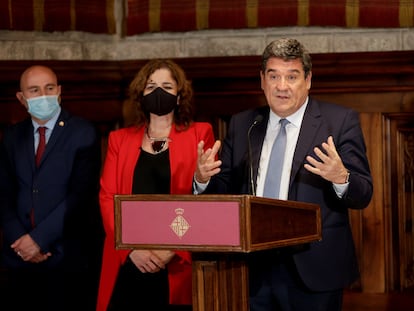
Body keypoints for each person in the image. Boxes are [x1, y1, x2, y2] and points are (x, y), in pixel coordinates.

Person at [195, 38, 373, 311]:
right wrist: (203, 180)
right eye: (274, 76)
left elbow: (363, 193)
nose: (281, 86)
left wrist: (341, 177)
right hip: (251, 269)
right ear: (262, 80)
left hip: (314, 270)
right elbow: (224, 190)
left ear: (308, 80)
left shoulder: (339, 121)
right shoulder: (244, 123)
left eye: (292, 76)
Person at [97, 59, 216, 311]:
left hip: (178, 261)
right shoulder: (119, 139)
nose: (158, 92)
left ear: (179, 94)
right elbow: (108, 198)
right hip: (128, 259)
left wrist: (173, 249)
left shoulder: (200, 133)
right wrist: (129, 249)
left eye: (166, 86)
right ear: (141, 94)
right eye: (151, 86)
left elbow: (207, 202)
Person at [0, 65, 104, 310]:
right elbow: (4, 194)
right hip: (20, 258)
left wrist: (38, 240)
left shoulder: (83, 132)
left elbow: (80, 196)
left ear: (59, 91)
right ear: (21, 98)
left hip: (67, 258)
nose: (43, 95)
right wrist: (21, 241)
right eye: (34, 90)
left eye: (49, 88)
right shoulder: (13, 136)